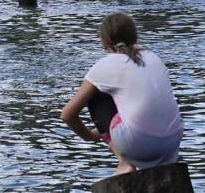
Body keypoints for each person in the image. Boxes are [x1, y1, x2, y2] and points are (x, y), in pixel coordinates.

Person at [61, 13, 183, 175]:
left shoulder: (105, 65)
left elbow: (68, 115)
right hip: (172, 144)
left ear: (104, 41)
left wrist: (90, 136)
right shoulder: (154, 57)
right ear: (135, 36)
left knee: (96, 96)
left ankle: (124, 162)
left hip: (138, 144)